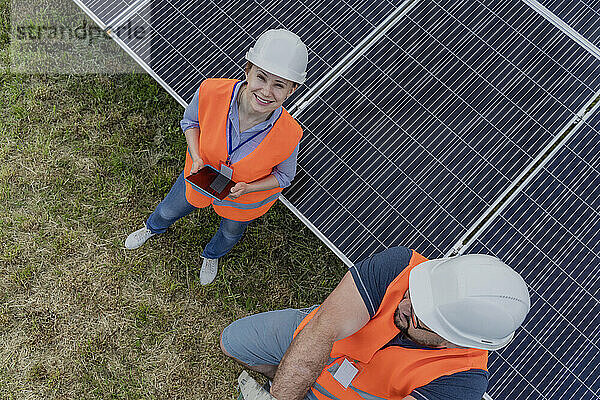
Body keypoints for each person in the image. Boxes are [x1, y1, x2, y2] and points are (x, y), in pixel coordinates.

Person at [220, 246, 531, 400]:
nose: (404, 304)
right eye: (413, 292)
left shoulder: (461, 383)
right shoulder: (401, 264)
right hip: (325, 340)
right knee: (233, 342)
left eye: (419, 316)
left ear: (453, 340)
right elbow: (324, 327)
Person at [124, 29, 308, 285]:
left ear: (291, 90)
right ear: (248, 71)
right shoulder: (211, 90)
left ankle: (211, 255)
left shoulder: (291, 133)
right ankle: (152, 228)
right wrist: (196, 154)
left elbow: (284, 176)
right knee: (168, 210)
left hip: (242, 199)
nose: (267, 91)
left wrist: (248, 188)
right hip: (200, 176)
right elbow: (190, 121)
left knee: (230, 233)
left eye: (279, 85)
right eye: (262, 78)